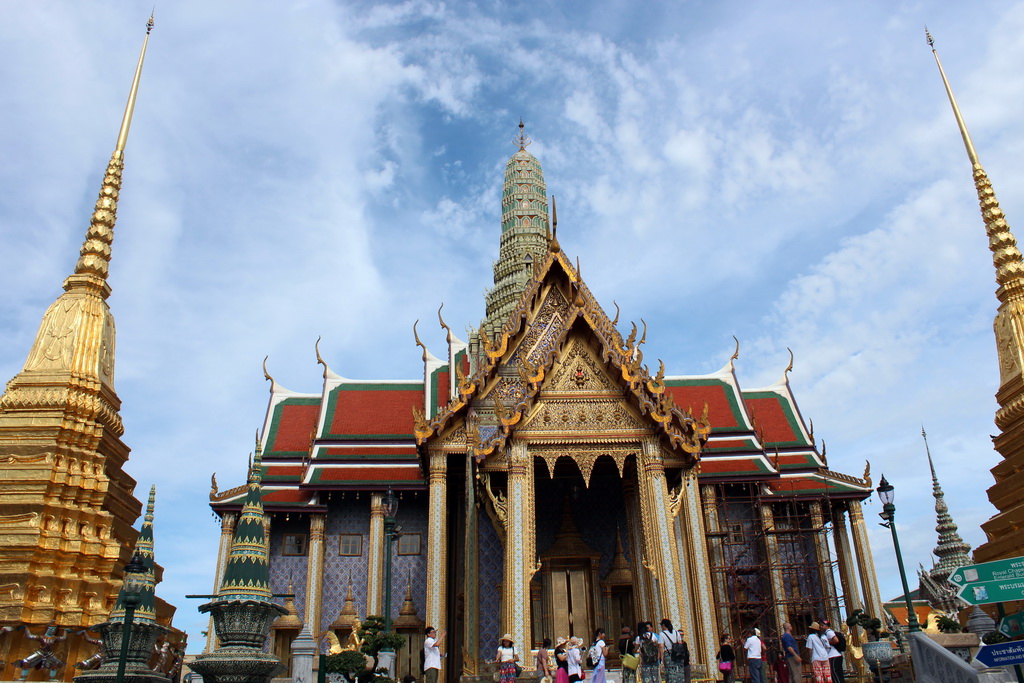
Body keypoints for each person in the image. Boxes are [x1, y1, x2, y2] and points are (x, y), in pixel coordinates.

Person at [659, 619, 689, 683]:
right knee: (680, 672)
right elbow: (680, 642)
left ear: (664, 625)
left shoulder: (662, 634)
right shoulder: (676, 632)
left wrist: (662, 659)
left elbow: (661, 647)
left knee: (670, 672)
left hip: (668, 654)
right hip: (678, 654)